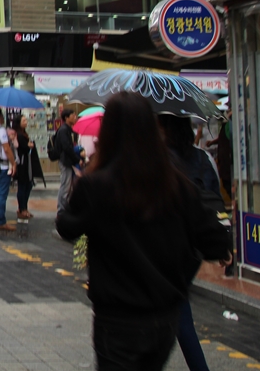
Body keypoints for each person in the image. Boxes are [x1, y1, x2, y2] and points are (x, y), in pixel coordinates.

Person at [57, 92, 231, 371]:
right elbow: (214, 240)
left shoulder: (97, 185)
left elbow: (66, 227)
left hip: (116, 317)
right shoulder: (176, 183)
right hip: (163, 317)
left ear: (109, 130)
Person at [160, 114, 226, 371]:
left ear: (164, 128)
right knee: (177, 307)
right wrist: (220, 242)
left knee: (178, 314)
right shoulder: (203, 158)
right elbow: (215, 197)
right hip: (196, 247)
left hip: (169, 244)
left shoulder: (160, 159)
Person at [10, 115, 37, 220]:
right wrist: (29, 146)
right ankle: (22, 209)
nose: (26, 122)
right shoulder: (19, 135)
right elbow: (23, 149)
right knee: (23, 186)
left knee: (27, 185)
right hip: (22, 164)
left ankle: (23, 208)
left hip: (26, 163)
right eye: (24, 120)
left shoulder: (23, 134)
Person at [55, 109, 82, 213]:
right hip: (65, 161)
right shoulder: (63, 130)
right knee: (65, 185)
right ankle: (61, 209)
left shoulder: (69, 130)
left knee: (68, 185)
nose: (75, 117)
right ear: (66, 118)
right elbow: (66, 147)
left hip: (69, 160)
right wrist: (77, 159)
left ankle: (65, 207)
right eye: (73, 115)